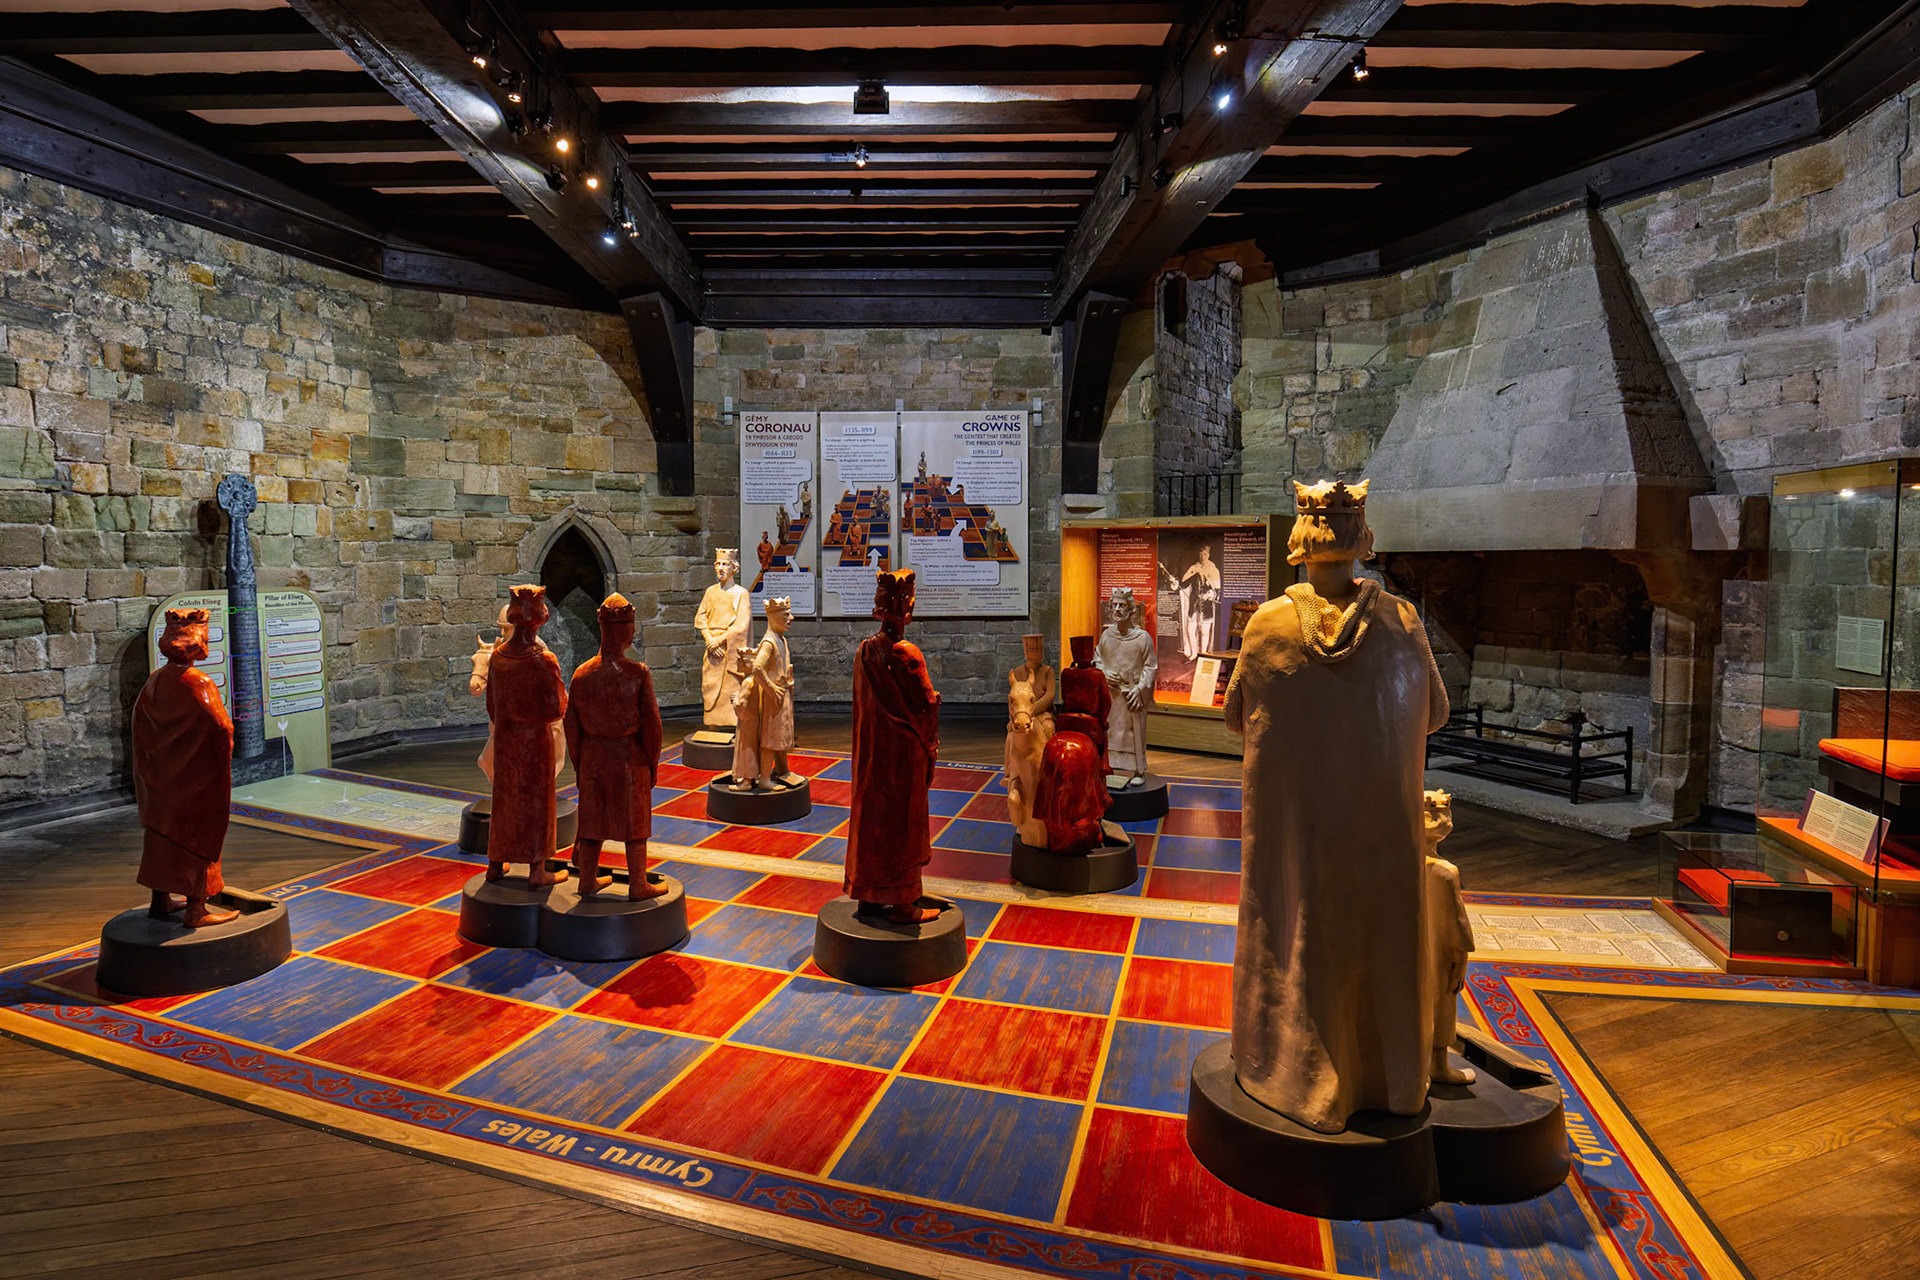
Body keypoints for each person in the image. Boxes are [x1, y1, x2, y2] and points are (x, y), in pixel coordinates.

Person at [1225, 480, 1450, 1133]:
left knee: (1293, 934)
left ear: (1300, 539)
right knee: (1380, 939)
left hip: (1296, 835)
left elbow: (1237, 716)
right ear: (1361, 537)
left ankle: (1290, 1073)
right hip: (1382, 836)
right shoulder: (1404, 622)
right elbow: (1435, 712)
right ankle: (1391, 1081)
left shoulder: (1268, 625)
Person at [845, 570, 942, 924]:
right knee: (903, 823)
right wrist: (930, 745)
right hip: (902, 758)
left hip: (872, 757)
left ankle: (869, 893)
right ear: (908, 609)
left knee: (872, 819)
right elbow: (925, 704)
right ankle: (903, 902)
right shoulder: (905, 653)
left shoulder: (865, 650)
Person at [132, 608, 237, 927]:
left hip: (162, 778)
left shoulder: (155, 679)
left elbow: (140, 723)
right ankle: (196, 909)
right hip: (193, 779)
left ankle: (160, 899)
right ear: (197, 644)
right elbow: (221, 727)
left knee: (162, 836)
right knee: (196, 836)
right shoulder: (198, 681)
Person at [564, 594, 665, 902]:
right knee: (634, 824)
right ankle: (638, 884)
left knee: (593, 821)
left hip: (594, 757)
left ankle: (587, 881)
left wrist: (580, 764)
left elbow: (572, 726)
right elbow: (653, 727)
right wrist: (652, 763)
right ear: (626, 632)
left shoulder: (582, 674)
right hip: (628, 758)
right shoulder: (638, 673)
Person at [485, 585, 569, 888]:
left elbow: (491, 706)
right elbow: (556, 707)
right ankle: (537, 869)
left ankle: (495, 863)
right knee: (536, 802)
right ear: (539, 619)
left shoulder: (497, 658)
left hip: (507, 741)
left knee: (504, 800)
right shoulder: (543, 660)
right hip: (534, 742)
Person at [731, 597, 799, 790]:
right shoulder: (769, 642)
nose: (791, 618)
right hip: (774, 698)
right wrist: (771, 688)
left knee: (780, 737)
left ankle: (782, 770)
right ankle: (765, 779)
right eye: (786, 615)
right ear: (773, 617)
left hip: (782, 695)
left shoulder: (781, 639)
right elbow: (758, 668)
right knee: (771, 740)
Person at [1097, 587, 1156, 787]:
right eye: (1114, 605)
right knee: (1111, 732)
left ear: (1131, 610)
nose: (1117, 609)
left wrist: (1140, 689)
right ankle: (1109, 767)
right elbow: (1098, 659)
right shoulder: (1106, 636)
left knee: (1134, 733)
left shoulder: (1142, 638)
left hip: (1132, 695)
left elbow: (1150, 666)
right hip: (1112, 695)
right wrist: (1104, 673)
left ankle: (1139, 769)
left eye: (1122, 605)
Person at [693, 549, 751, 731]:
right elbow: (701, 618)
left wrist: (719, 641)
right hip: (712, 649)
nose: (721, 568)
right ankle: (713, 726)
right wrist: (709, 640)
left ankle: (735, 725)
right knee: (710, 686)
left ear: (734, 568)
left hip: (730, 649)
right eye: (718, 564)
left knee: (731, 687)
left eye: (725, 564)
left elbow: (742, 624)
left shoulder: (741, 594)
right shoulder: (710, 592)